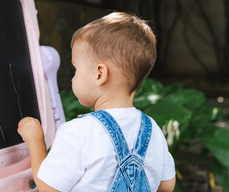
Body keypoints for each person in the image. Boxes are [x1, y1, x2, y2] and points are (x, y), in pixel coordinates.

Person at [17, 12, 176, 192]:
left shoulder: (78, 132)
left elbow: (48, 188)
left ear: (99, 74)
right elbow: (167, 185)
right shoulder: (152, 129)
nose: (72, 79)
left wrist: (35, 141)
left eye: (75, 69)